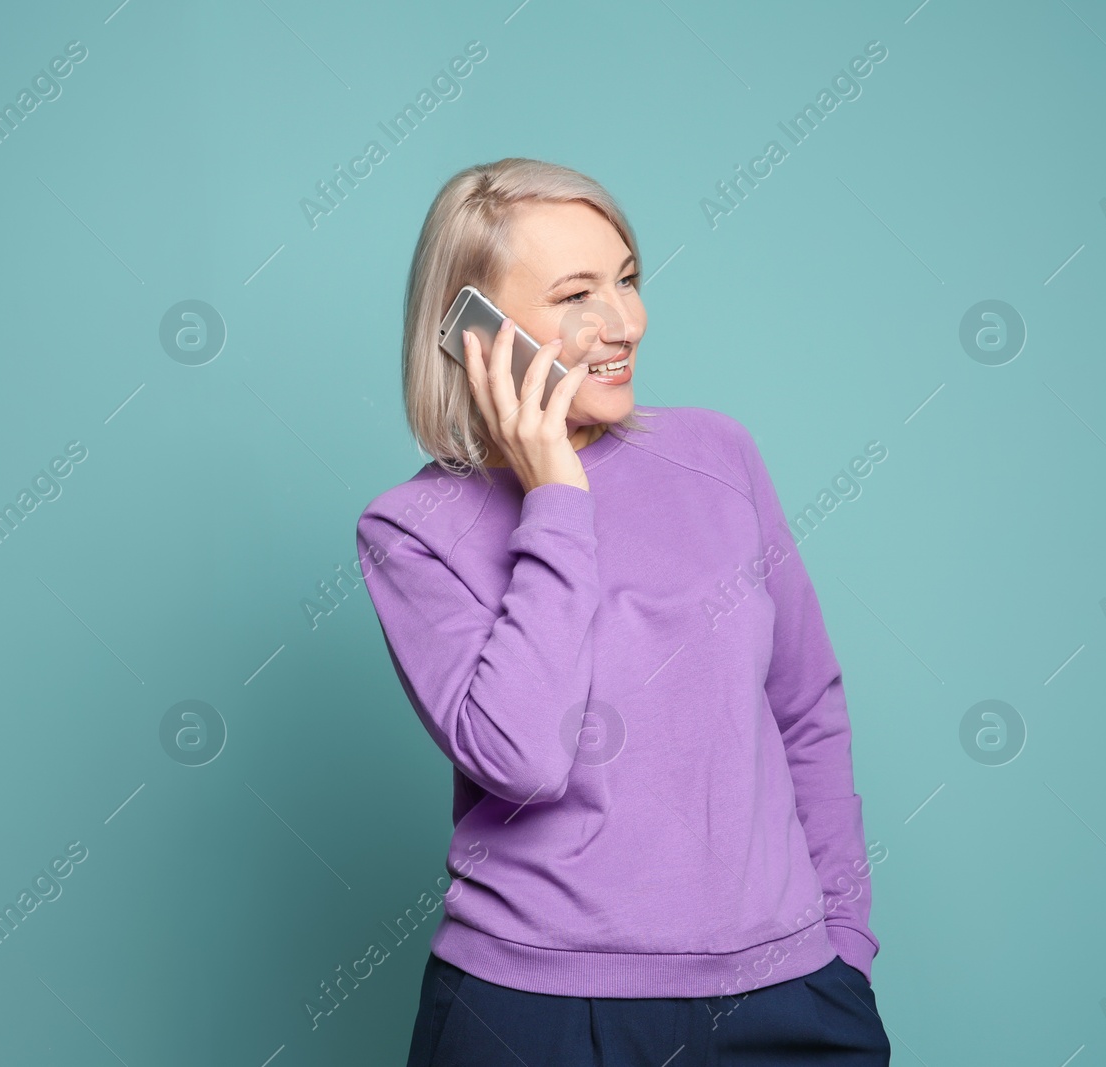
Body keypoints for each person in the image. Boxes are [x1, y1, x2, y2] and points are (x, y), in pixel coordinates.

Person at [355, 157, 891, 1065]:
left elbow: (808, 709)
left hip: (786, 997)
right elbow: (523, 758)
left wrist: (843, 945)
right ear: (472, 328)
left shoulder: (718, 454)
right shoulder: (413, 530)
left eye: (628, 278)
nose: (626, 322)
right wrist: (554, 494)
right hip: (536, 1016)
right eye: (576, 294)